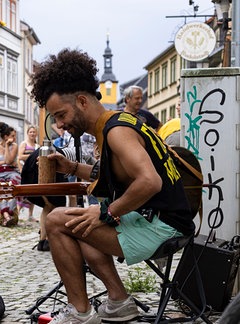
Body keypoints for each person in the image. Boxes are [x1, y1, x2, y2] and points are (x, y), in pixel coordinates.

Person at [29, 48, 194, 324]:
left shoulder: (116, 132)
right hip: (164, 219)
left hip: (163, 226)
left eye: (60, 115)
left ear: (81, 101)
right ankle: (119, 301)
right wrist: (71, 168)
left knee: (58, 221)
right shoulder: (117, 122)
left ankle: (79, 313)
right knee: (84, 221)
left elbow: (149, 181)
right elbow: (111, 174)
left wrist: (107, 212)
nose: (59, 124)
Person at [0, 122, 21, 226]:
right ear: (6, 136)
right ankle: (6, 215)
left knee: (12, 187)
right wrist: (4, 163)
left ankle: (8, 213)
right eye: (12, 136)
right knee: (0, 188)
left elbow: (9, 159)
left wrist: (7, 146)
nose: (15, 138)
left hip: (11, 172)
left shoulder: (14, 146)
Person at [17, 126, 39, 221]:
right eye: (30, 132)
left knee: (33, 192)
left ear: (36, 134)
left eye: (34, 132)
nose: (32, 133)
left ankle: (30, 215)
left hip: (34, 171)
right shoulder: (24, 144)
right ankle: (17, 213)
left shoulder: (37, 146)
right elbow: (20, 156)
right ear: (27, 133)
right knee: (23, 193)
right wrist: (32, 156)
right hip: (25, 170)